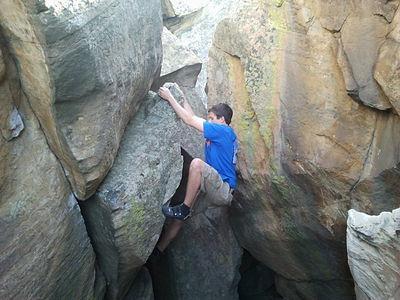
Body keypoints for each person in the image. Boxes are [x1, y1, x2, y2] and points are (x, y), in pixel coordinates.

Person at [152, 86, 238, 254]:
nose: (209, 121)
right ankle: (160, 250)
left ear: (222, 120)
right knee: (182, 215)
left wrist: (170, 97)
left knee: (197, 164)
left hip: (223, 190)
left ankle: (183, 209)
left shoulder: (224, 131)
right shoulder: (220, 133)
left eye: (212, 118)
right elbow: (193, 118)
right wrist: (182, 97)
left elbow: (189, 120)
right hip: (212, 186)